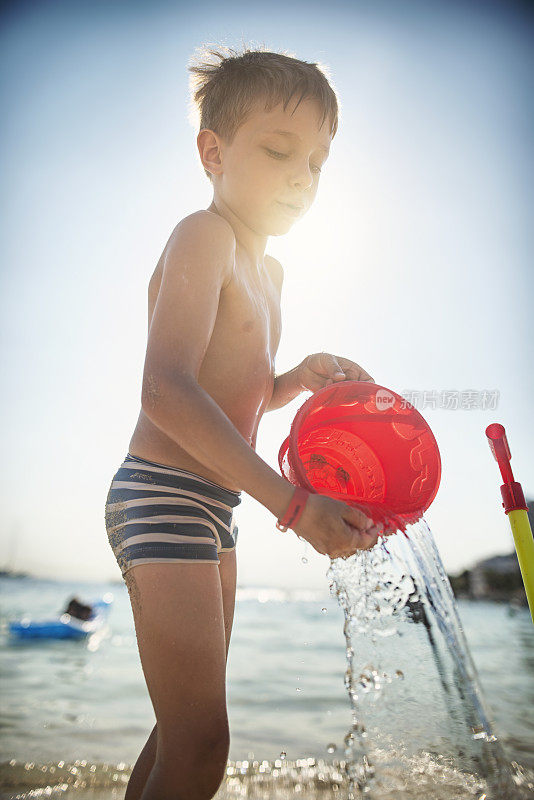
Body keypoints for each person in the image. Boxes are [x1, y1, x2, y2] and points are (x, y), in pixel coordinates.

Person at [104, 43, 384, 800]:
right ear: (213, 151)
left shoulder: (273, 273)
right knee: (203, 744)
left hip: (216, 507)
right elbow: (165, 389)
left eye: (319, 162)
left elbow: (238, 394)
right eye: (280, 150)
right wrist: (293, 505)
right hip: (163, 493)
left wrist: (294, 381)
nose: (303, 175)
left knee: (180, 733)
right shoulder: (206, 236)